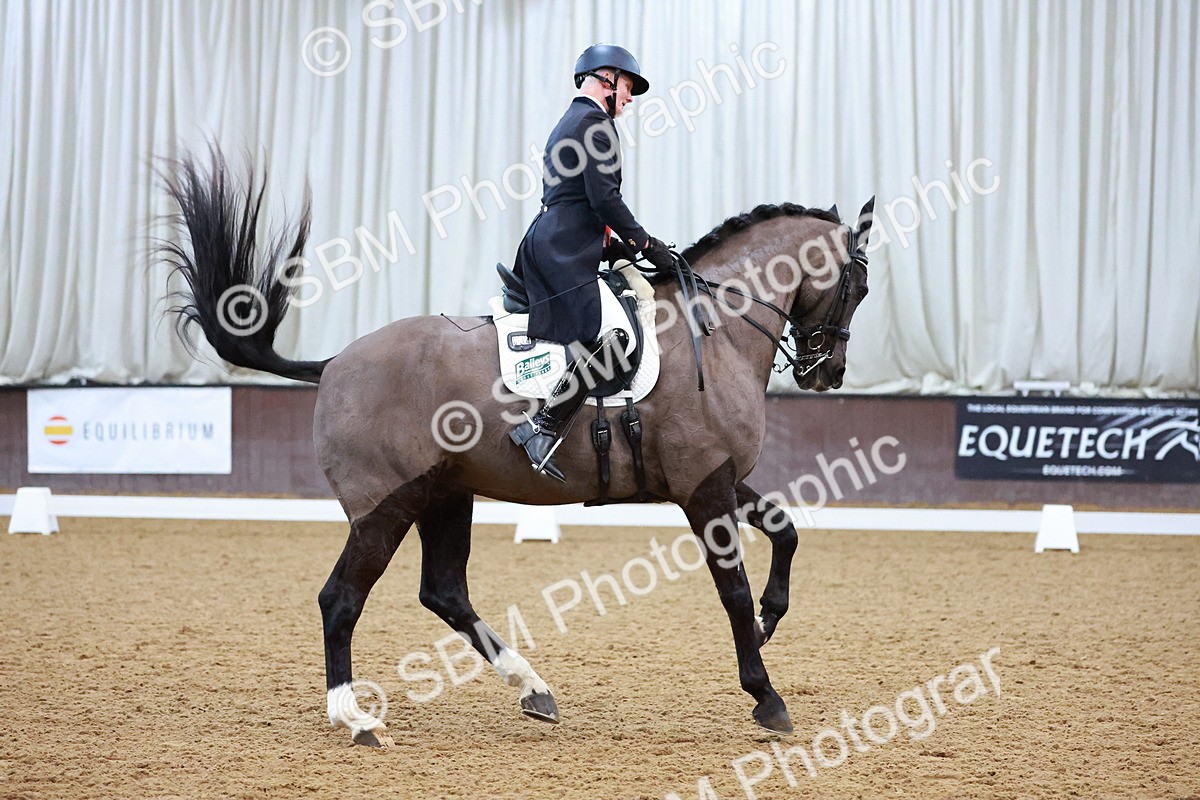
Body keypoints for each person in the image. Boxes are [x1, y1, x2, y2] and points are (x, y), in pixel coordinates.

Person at [509, 43, 675, 482]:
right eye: (628, 87)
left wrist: (614, 248)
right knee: (616, 338)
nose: (630, 97)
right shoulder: (595, 124)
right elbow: (604, 198)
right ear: (606, 79)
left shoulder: (571, 121)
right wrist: (644, 242)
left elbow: (578, 199)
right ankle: (542, 430)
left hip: (559, 240)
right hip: (562, 249)